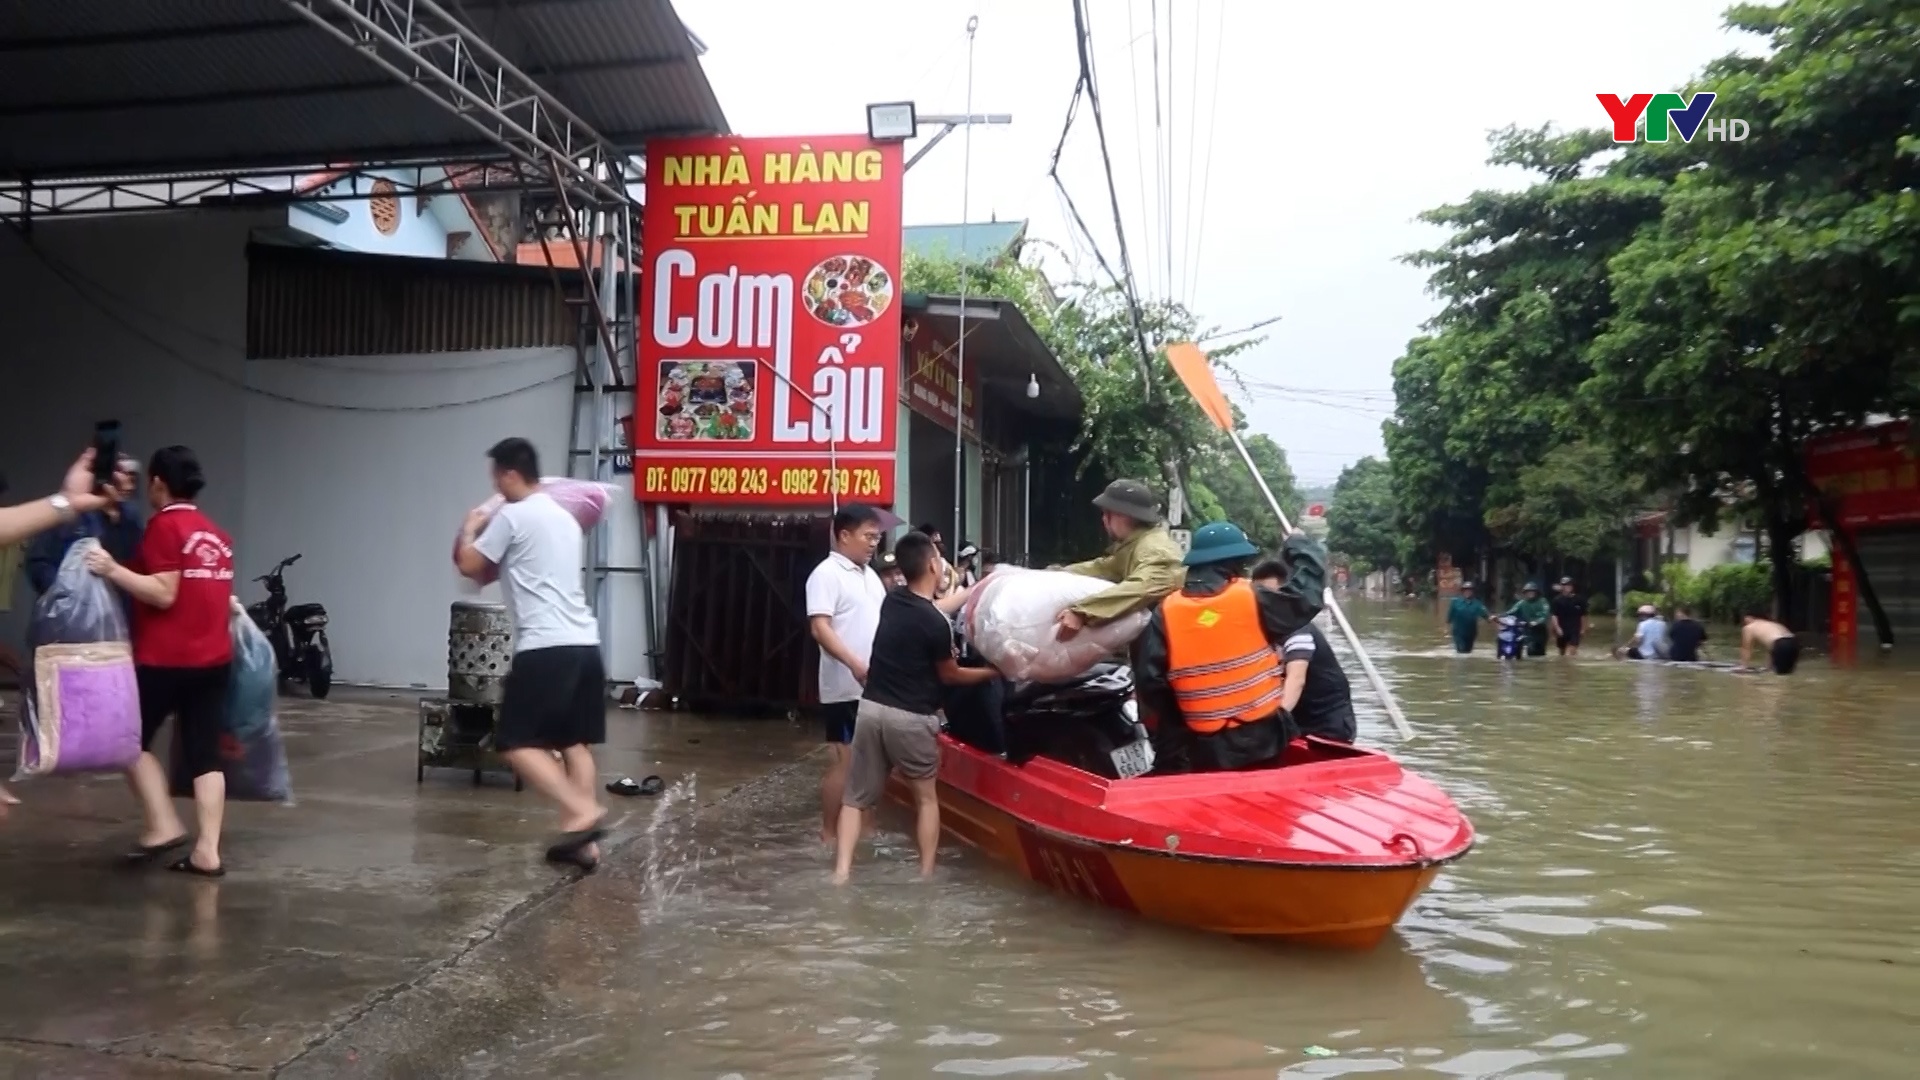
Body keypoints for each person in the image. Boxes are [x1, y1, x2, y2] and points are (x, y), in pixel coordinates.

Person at [455, 438, 609, 870]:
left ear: (508, 474)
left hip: (545, 648)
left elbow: (470, 565)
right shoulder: (564, 518)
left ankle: (582, 812)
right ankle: (583, 844)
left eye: (495, 478)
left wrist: (471, 527)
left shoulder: (513, 516)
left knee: (515, 743)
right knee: (574, 744)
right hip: (585, 644)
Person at [85, 446, 235, 877]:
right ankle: (208, 851)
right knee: (205, 756)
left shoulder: (165, 527)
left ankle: (162, 825)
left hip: (165, 661)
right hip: (213, 660)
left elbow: (164, 591)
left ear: (157, 483)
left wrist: (109, 569)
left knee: (126, 739)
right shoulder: (217, 536)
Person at [832, 532, 997, 884]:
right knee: (925, 799)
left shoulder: (893, 602)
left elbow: (930, 610)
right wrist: (992, 672)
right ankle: (925, 876)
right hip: (910, 717)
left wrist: (973, 589)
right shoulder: (936, 625)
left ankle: (841, 872)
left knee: (855, 797)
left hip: (871, 709)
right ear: (934, 566)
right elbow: (950, 675)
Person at [1135, 524, 1327, 774]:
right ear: (1232, 563)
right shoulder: (1252, 597)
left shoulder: (1166, 612)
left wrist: (1184, 719)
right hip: (1263, 739)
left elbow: (1150, 681)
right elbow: (1307, 596)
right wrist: (1298, 545)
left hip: (1204, 745)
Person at [804, 504, 887, 844]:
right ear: (844, 535)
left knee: (870, 765)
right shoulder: (826, 574)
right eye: (868, 537)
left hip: (875, 684)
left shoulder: (870, 575)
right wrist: (854, 663)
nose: (873, 544)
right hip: (845, 685)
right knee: (848, 761)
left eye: (877, 538)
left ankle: (865, 831)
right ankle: (828, 832)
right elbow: (820, 628)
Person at [1056, 479, 1187, 640]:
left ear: (1123, 515)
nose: (1103, 519)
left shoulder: (1156, 550)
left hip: (1171, 644)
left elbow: (1143, 586)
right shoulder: (1135, 545)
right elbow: (1102, 568)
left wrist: (1083, 612)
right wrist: (1054, 573)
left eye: (1106, 513)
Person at [1251, 558, 1355, 743]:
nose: (1266, 603)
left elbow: (1296, 679)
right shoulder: (1262, 628)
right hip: (1299, 720)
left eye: (1272, 596)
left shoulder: (1298, 630)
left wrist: (1274, 724)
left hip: (1328, 725)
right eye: (1260, 596)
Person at [27, 453, 144, 607]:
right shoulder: (75, 512)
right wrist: (64, 596)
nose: (129, 485)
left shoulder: (131, 518)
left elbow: (137, 563)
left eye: (133, 478)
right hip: (72, 612)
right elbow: (38, 560)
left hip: (117, 612)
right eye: (123, 475)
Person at [1507, 582, 1551, 658]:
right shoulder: (1521, 603)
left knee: (1540, 653)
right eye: (1528, 592)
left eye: (1532, 592)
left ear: (1536, 592)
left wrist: (1537, 622)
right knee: (1530, 649)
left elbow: (1545, 614)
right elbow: (1511, 612)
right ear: (1525, 593)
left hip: (1540, 631)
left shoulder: (1542, 601)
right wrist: (1499, 617)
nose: (1530, 594)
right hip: (1528, 630)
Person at [1446, 582, 1492, 653]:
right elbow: (1449, 617)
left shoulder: (1477, 604)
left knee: (1468, 652)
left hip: (1471, 633)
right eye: (1466, 590)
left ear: (1473, 592)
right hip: (1458, 633)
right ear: (1462, 592)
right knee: (1461, 651)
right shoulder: (1455, 602)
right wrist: (1447, 628)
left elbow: (1486, 615)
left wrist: (1491, 618)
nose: (1468, 592)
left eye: (1470, 590)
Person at [1549, 577, 1588, 656]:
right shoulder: (1557, 600)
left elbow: (1583, 615)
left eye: (1569, 585)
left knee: (1572, 650)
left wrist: (1583, 629)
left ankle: (1572, 665)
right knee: (1561, 652)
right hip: (1562, 628)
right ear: (1562, 587)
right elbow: (1554, 616)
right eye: (1565, 585)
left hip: (1575, 628)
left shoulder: (1579, 599)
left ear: (1572, 586)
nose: (1567, 587)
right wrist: (1557, 628)